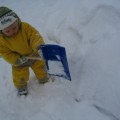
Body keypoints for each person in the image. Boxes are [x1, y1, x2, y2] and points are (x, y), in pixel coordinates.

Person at [0, 6, 49, 96]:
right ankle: (21, 88)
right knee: (19, 75)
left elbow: (34, 36)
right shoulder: (1, 40)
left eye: (14, 28)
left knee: (40, 67)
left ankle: (44, 78)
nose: (12, 31)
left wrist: (39, 47)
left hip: (34, 54)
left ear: (17, 21)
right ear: (1, 31)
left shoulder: (25, 28)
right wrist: (16, 60)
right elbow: (4, 53)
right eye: (8, 31)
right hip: (19, 61)